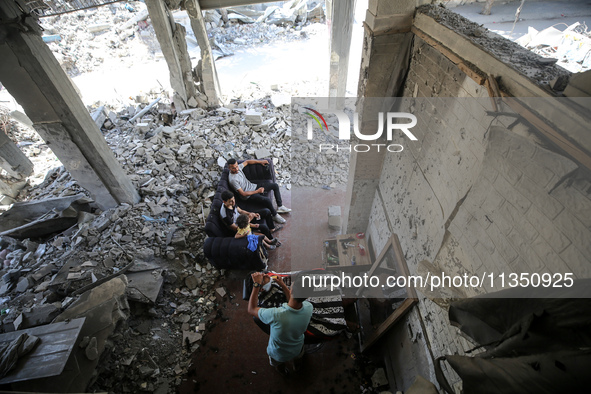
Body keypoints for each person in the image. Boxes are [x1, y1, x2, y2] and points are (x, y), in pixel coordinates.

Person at [247, 272, 313, 376]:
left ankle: (282, 371)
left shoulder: (275, 315)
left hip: (278, 352)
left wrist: (256, 285)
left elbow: (251, 309)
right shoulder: (309, 307)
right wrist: (282, 284)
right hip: (297, 347)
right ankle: (297, 367)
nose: (266, 276)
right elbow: (292, 300)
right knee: (298, 358)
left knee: (278, 364)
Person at [227, 158, 291, 224]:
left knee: (275, 185)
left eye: (237, 166)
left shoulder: (238, 168)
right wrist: (257, 191)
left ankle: (280, 206)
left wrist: (260, 162)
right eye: (234, 168)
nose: (237, 169)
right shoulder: (233, 180)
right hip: (248, 196)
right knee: (267, 200)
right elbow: (243, 194)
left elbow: (247, 162)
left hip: (253, 186)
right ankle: (274, 215)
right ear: (229, 168)